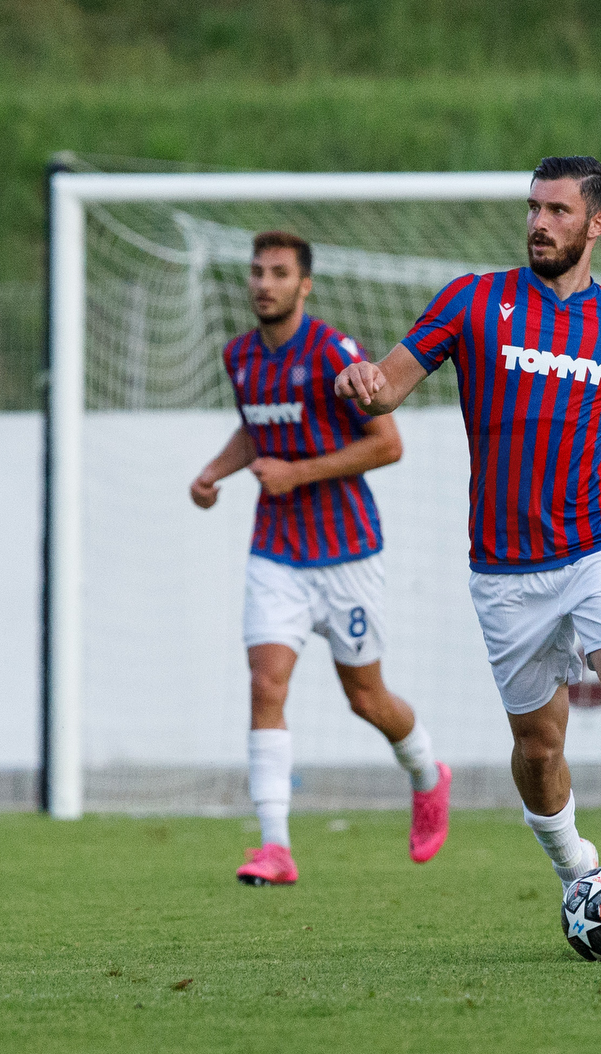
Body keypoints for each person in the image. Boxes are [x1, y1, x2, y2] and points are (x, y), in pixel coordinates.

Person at [334, 157, 601, 948]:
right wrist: (364, 380)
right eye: (533, 207)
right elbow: (391, 384)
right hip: (506, 568)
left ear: (596, 224)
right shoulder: (474, 301)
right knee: (540, 748)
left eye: (558, 211)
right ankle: (578, 869)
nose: (539, 223)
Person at [190, 230, 450, 887]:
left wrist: (297, 474)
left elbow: (387, 444)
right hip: (275, 552)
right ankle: (274, 845)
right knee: (265, 683)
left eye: (279, 272)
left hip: (347, 553)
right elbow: (257, 428)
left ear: (304, 285)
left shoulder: (335, 352)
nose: (264, 283)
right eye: (257, 272)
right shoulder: (240, 356)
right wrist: (215, 472)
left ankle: (426, 770)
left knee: (366, 698)